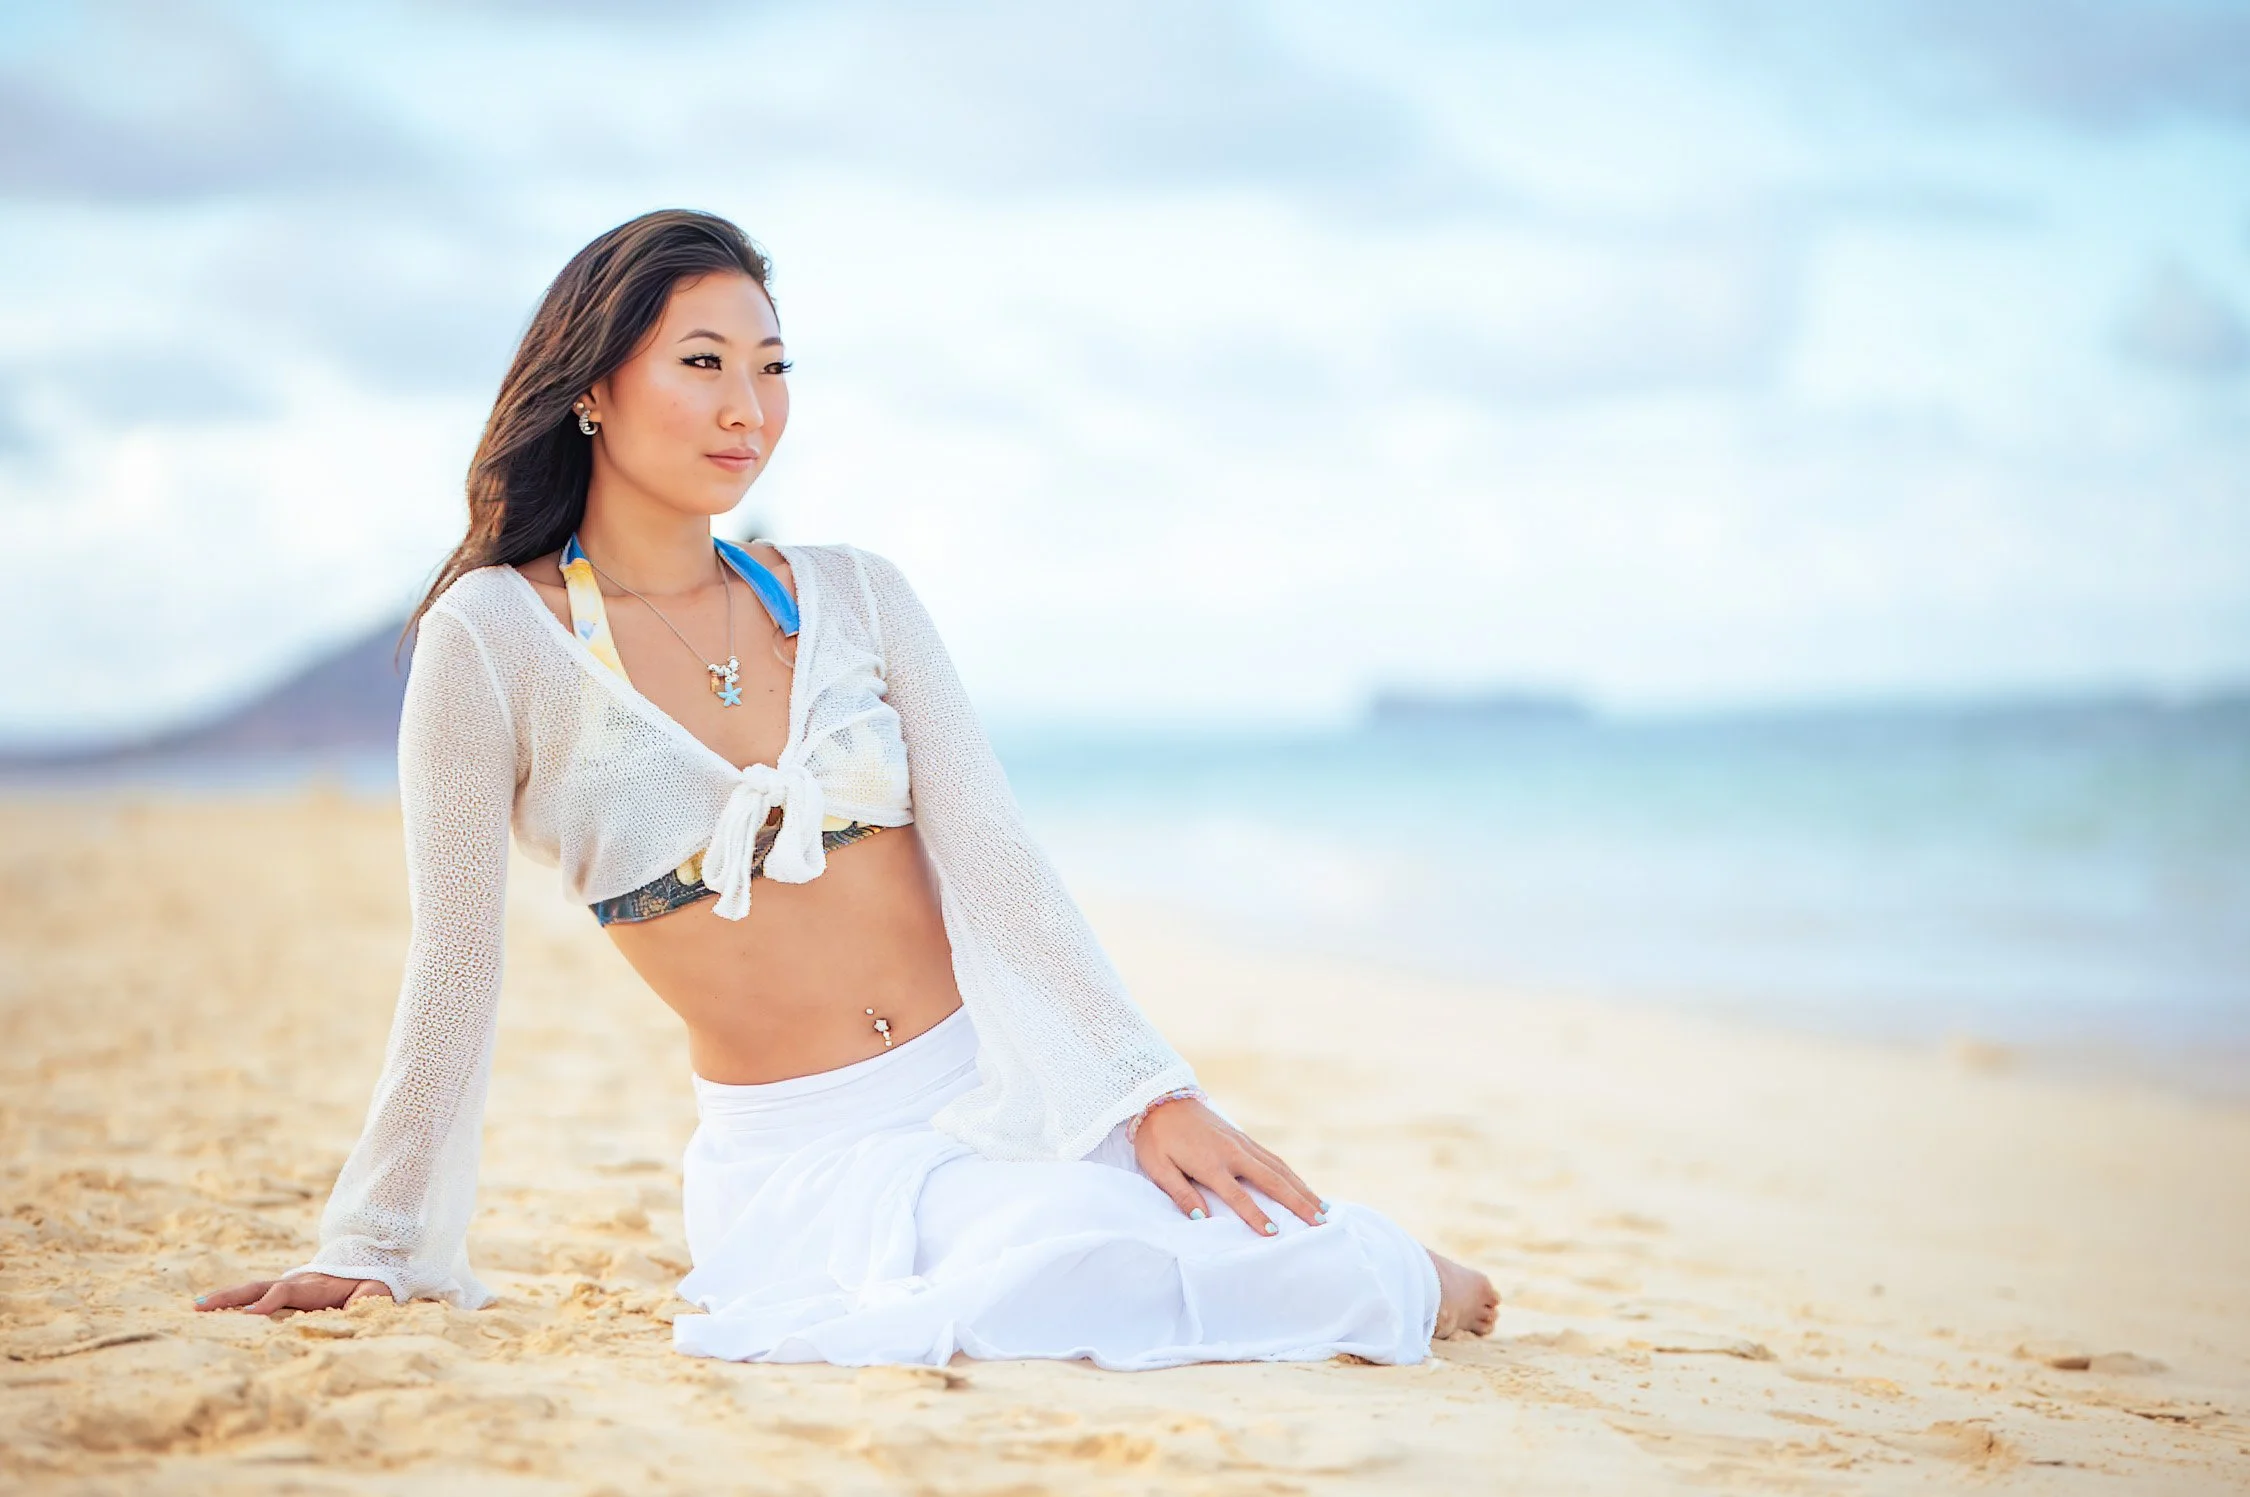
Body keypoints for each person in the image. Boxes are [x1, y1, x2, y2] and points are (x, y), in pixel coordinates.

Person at [194, 208, 1499, 1369]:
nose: (744, 409)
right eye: (701, 364)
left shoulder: (855, 593)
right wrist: (373, 1241)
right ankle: (1383, 1275)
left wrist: (1142, 1089)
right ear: (592, 385)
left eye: (770, 370)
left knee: (1188, 1235)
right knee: (1059, 1276)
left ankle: (1383, 1267)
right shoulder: (491, 637)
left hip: (1005, 1089)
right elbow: (455, 963)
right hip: (805, 1158)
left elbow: (996, 858)